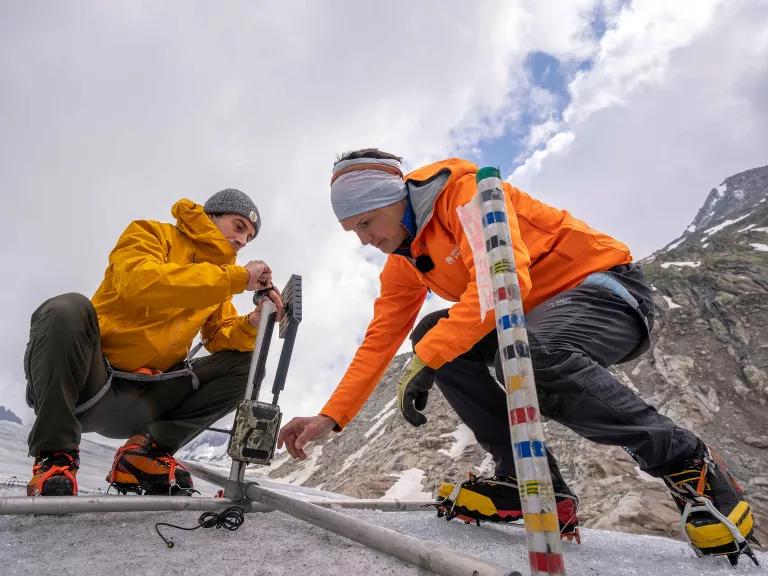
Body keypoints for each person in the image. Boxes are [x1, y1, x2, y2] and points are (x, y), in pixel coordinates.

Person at [278, 149, 758, 563]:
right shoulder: (406, 259)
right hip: (530, 319)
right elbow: (381, 338)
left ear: (395, 199)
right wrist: (329, 417)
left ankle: (686, 462)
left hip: (604, 290)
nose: (365, 238)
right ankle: (528, 481)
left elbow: (501, 283)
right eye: (353, 231)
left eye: (366, 222)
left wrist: (428, 358)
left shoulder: (465, 196)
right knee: (434, 330)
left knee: (513, 355)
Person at [25, 188, 282, 497]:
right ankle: (55, 457)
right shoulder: (150, 234)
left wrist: (253, 321)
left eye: (249, 237)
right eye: (238, 226)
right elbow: (138, 282)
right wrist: (236, 279)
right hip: (93, 385)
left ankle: (145, 455)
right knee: (66, 309)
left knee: (246, 365)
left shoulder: (220, 279)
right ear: (210, 215)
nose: (242, 240)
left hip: (149, 399)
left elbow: (219, 336)